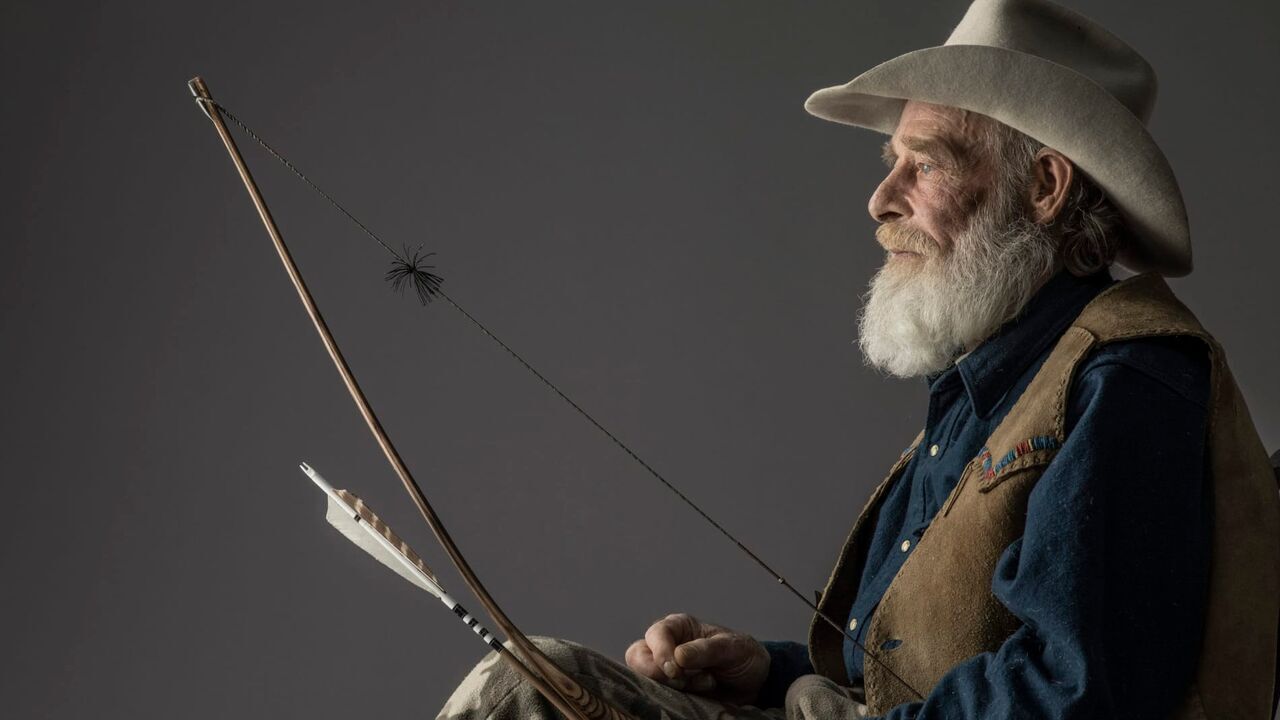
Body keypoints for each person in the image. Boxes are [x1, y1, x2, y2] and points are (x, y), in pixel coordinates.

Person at [436, 0, 1280, 717]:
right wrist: (771, 674)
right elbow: (905, 671)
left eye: (926, 164)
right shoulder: (995, 381)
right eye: (891, 165)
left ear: (1045, 187)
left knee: (527, 691)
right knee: (536, 676)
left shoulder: (1125, 380)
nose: (881, 200)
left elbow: (1078, 694)